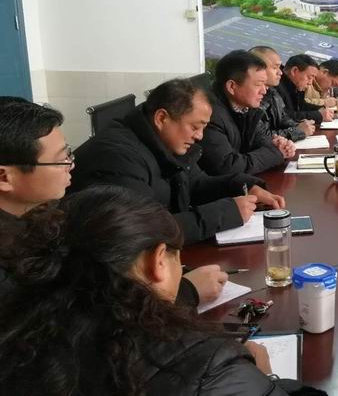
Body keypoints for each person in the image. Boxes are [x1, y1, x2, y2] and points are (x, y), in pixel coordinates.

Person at [0, 185, 305, 395]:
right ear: (158, 261)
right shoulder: (208, 368)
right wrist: (266, 378)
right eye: (178, 260)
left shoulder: (19, 336)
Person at [0, 99, 226, 308]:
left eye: (68, 153)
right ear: (4, 178)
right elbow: (72, 318)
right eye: (60, 160)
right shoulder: (10, 269)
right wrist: (182, 292)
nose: (71, 165)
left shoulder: (43, 213)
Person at [70, 79, 286, 245]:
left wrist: (244, 186)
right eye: (195, 127)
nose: (200, 136)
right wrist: (227, 212)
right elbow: (143, 230)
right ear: (162, 118)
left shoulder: (166, 141)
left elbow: (196, 184)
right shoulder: (118, 157)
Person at [199, 50, 294, 176]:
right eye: (258, 84)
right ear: (232, 86)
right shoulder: (209, 115)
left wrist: (276, 144)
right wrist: (276, 153)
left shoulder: (245, 107)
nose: (264, 91)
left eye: (264, 84)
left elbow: (255, 140)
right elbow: (227, 166)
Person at [250, 46, 315, 141]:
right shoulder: (250, 97)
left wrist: (299, 126)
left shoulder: (272, 91)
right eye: (274, 67)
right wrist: (298, 131)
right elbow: (260, 137)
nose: (280, 72)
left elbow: (284, 118)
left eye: (279, 67)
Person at [276, 54, 335, 125]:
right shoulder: (277, 87)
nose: (310, 83)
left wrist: (320, 109)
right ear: (294, 71)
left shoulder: (294, 86)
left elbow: (301, 106)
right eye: (309, 77)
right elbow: (285, 116)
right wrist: (318, 115)